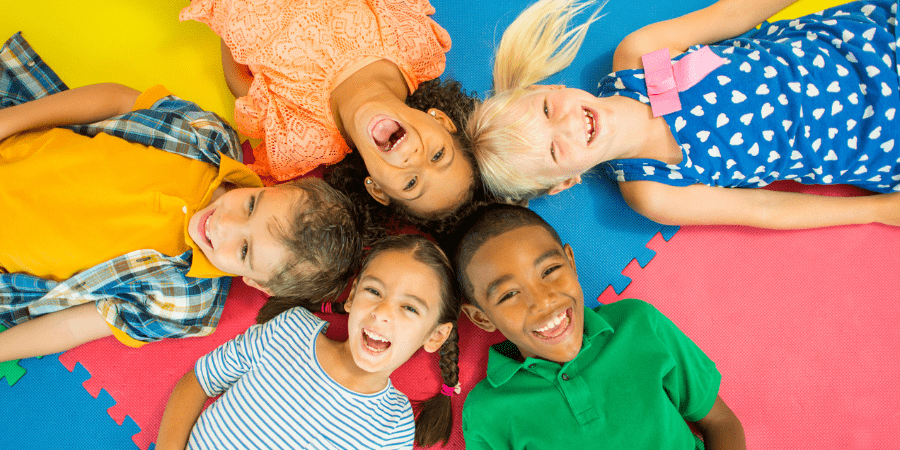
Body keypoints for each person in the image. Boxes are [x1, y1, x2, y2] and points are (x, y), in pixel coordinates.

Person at [0, 32, 362, 362]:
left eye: (244, 250)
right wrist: (9, 121)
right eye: (251, 206)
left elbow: (72, 327)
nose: (225, 224)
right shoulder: (206, 139)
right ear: (273, 187)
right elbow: (116, 100)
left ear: (255, 283)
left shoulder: (184, 301)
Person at [468, 0, 900, 229]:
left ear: (550, 87)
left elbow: (731, 15)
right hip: (880, 138)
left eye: (546, 109)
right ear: (566, 182)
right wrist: (877, 211)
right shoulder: (653, 190)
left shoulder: (636, 57)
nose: (566, 124)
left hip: (867, 41)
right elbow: (765, 208)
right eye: (556, 149)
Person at [450, 203, 745, 449]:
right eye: (509, 294)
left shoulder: (637, 323)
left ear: (571, 262)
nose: (543, 301)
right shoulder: (486, 412)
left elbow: (720, 422)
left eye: (550, 270)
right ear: (481, 318)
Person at [179, 0, 482, 226]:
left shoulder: (303, 141)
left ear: (376, 188)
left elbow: (240, 84)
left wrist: (226, 14)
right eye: (438, 155)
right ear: (440, 120)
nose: (414, 158)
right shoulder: (412, 46)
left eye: (411, 184)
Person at [156, 234, 463, 449]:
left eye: (409, 308)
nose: (382, 313)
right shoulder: (291, 330)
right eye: (374, 292)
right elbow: (200, 379)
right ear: (353, 295)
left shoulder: (393, 424)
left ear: (435, 336)